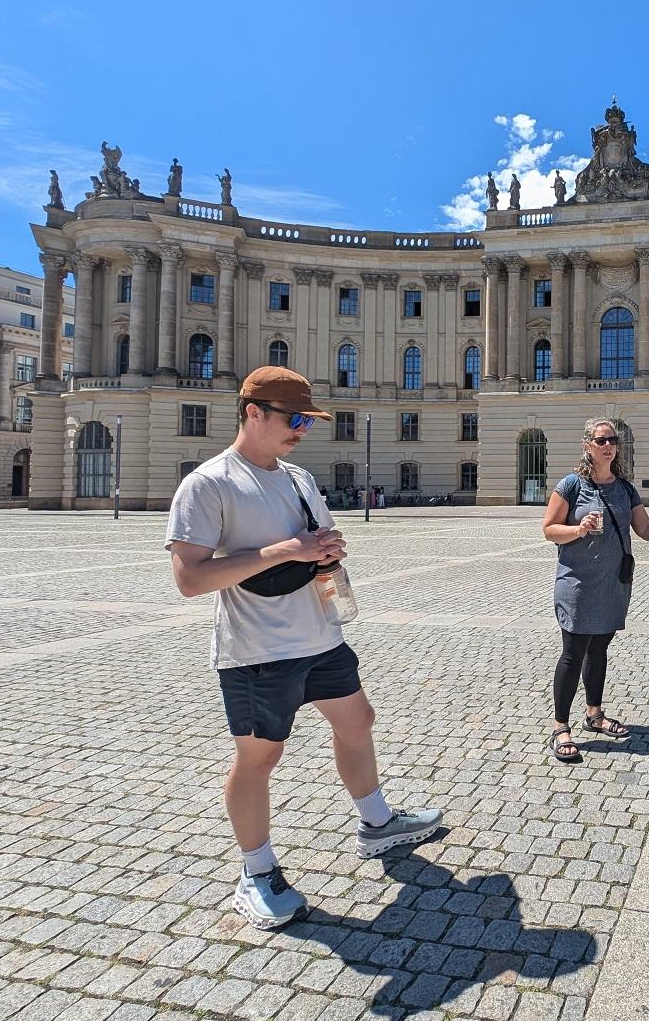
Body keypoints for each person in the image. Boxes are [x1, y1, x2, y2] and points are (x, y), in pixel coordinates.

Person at [165, 366, 442, 930]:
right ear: (252, 412)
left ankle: (376, 823)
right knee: (259, 758)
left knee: (358, 720)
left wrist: (325, 549)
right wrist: (286, 550)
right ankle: (256, 872)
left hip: (320, 634)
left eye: (307, 421)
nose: (301, 430)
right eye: (294, 419)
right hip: (257, 649)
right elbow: (190, 579)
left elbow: (314, 542)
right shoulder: (209, 483)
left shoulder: (298, 478)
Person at [542, 418, 649, 761]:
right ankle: (560, 727)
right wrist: (578, 529)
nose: (608, 445)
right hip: (577, 583)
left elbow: (645, 528)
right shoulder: (571, 485)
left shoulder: (624, 488)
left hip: (613, 582)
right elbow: (549, 529)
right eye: (601, 440)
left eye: (612, 440)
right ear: (588, 445)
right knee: (573, 652)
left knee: (599, 649)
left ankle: (594, 714)